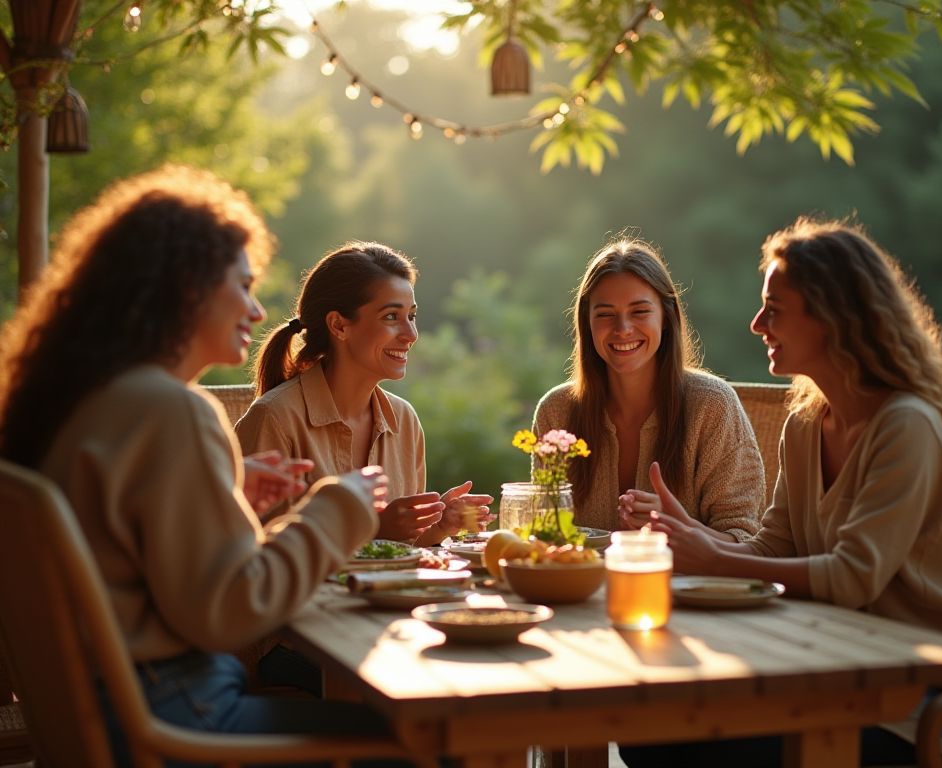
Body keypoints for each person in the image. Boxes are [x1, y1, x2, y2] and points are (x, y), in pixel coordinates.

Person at [0, 165, 402, 766]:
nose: (259, 310)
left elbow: (130, 547)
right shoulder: (171, 409)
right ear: (184, 287)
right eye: (242, 286)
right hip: (178, 715)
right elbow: (226, 614)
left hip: (114, 710)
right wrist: (334, 509)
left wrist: (230, 496)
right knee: (427, 741)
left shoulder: (88, 400)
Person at [619, 217, 942, 766]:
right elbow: (771, 551)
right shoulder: (806, 425)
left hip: (932, 697)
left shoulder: (907, 426)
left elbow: (852, 577)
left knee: (683, 743)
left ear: (834, 319)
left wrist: (715, 557)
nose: (757, 324)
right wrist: (692, 536)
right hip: (836, 666)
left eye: (774, 309)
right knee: (651, 730)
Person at [236, 243, 492, 546]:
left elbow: (397, 552)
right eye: (391, 317)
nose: (411, 334)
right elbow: (254, 555)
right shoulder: (275, 418)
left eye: (411, 315)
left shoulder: (404, 420)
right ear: (339, 325)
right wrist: (371, 529)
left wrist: (437, 527)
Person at [532, 235, 764, 543]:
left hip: (680, 590)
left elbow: (745, 541)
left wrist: (676, 527)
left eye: (639, 311)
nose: (623, 328)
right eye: (605, 314)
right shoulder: (556, 412)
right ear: (586, 322)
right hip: (578, 590)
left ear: (666, 318)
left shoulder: (713, 406)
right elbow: (545, 532)